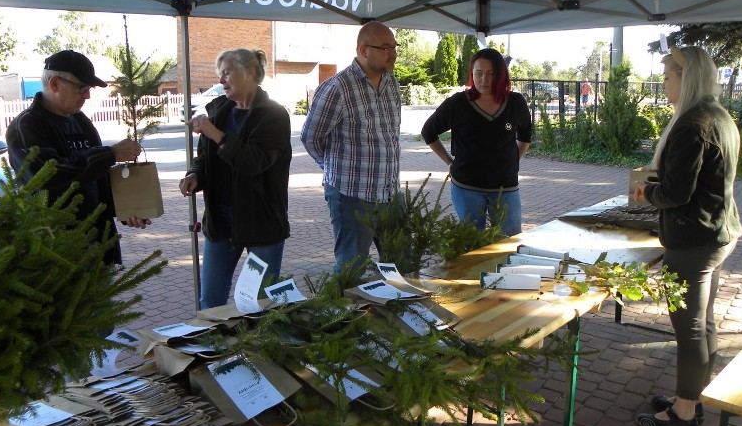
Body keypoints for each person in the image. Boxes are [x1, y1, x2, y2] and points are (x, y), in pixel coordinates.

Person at [633, 45, 742, 426]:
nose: (664, 83)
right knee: (704, 321)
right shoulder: (719, 116)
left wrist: (647, 192)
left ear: (687, 76)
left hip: (694, 240)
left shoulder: (693, 123)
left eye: (667, 76)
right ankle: (692, 399)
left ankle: (682, 413)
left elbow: (677, 193)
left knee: (690, 328)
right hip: (717, 233)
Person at [6, 50, 149, 266]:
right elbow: (49, 175)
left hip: (98, 240)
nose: (87, 96)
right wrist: (110, 154)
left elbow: (97, 178)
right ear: (55, 84)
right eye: (81, 88)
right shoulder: (26, 126)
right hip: (56, 248)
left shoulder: (80, 121)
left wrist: (126, 210)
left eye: (88, 89)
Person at [180, 48, 291, 309]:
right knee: (211, 300)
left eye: (226, 73)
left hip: (261, 224)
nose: (221, 81)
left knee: (262, 303)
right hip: (221, 224)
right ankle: (215, 349)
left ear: (250, 72)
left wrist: (214, 133)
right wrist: (196, 173)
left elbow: (253, 162)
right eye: (220, 75)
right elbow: (204, 156)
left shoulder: (274, 115)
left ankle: (259, 350)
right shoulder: (218, 110)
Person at [300, 21, 401, 273]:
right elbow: (311, 138)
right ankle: (347, 313)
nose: (393, 53)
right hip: (351, 196)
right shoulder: (337, 88)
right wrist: (332, 168)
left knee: (401, 266)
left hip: (390, 195)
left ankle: (391, 310)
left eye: (394, 46)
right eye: (386, 47)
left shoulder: (392, 84)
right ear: (364, 50)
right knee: (350, 270)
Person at [421, 48, 531, 236]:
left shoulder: (515, 102)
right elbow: (428, 132)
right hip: (467, 187)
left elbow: (525, 136)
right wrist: (449, 162)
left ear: (501, 75)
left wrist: (513, 161)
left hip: (506, 188)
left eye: (490, 74)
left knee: (510, 242)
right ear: (472, 73)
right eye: (478, 73)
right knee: (471, 245)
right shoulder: (458, 103)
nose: (483, 79)